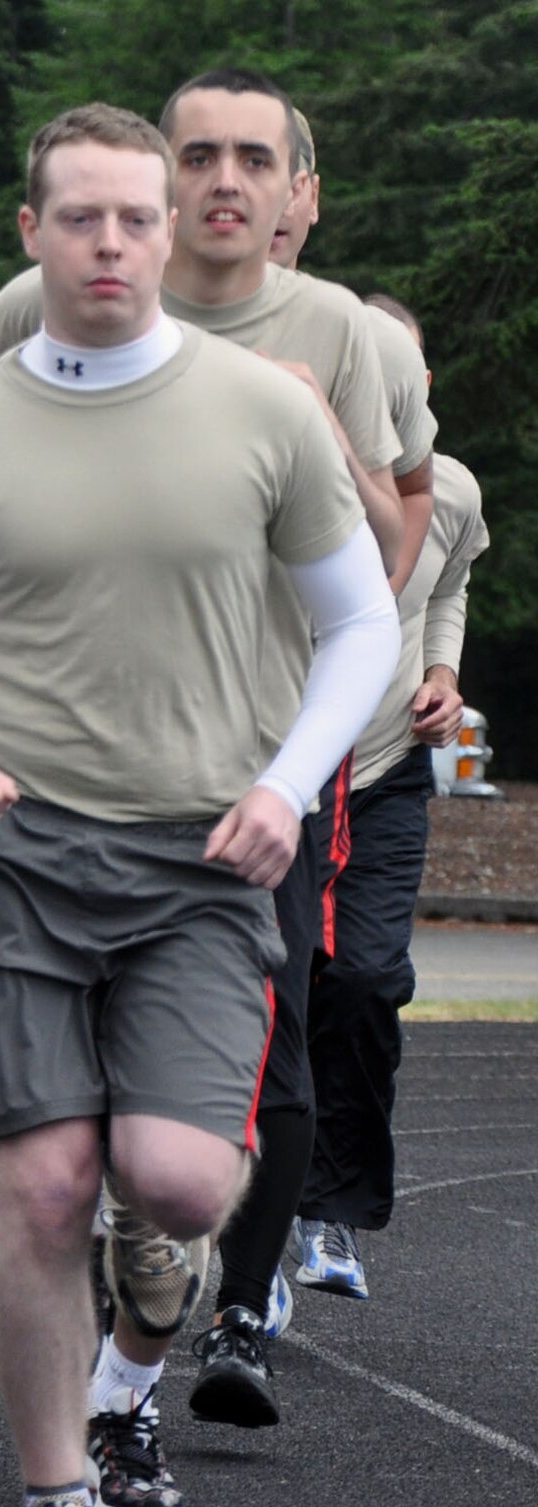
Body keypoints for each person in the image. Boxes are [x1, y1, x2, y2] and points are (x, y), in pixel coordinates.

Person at [0, 104, 396, 1507]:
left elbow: (364, 624)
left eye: (133, 219)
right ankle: (57, 1497)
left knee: (177, 1183)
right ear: (32, 233)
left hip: (203, 854)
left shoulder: (265, 412)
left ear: (172, 231)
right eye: (79, 218)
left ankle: (147, 1323)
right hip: (13, 853)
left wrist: (288, 785)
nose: (109, 243)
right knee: (42, 1182)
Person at [186, 106, 439, 1376]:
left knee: (297, 1000)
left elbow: (403, 547)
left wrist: (309, 420)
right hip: (113, 738)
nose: (231, 188)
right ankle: (130, 1302)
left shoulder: (342, 330)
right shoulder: (87, 290)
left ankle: (245, 1298)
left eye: (256, 164)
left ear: (300, 191)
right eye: (199, 158)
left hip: (298, 741)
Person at [295, 295, 485, 1298]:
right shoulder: (286, 474)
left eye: (398, 374)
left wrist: (445, 674)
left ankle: (329, 1217)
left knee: (366, 981)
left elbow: (443, 582)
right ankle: (240, 1227)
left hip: (383, 773)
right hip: (281, 768)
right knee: (277, 989)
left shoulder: (447, 490)